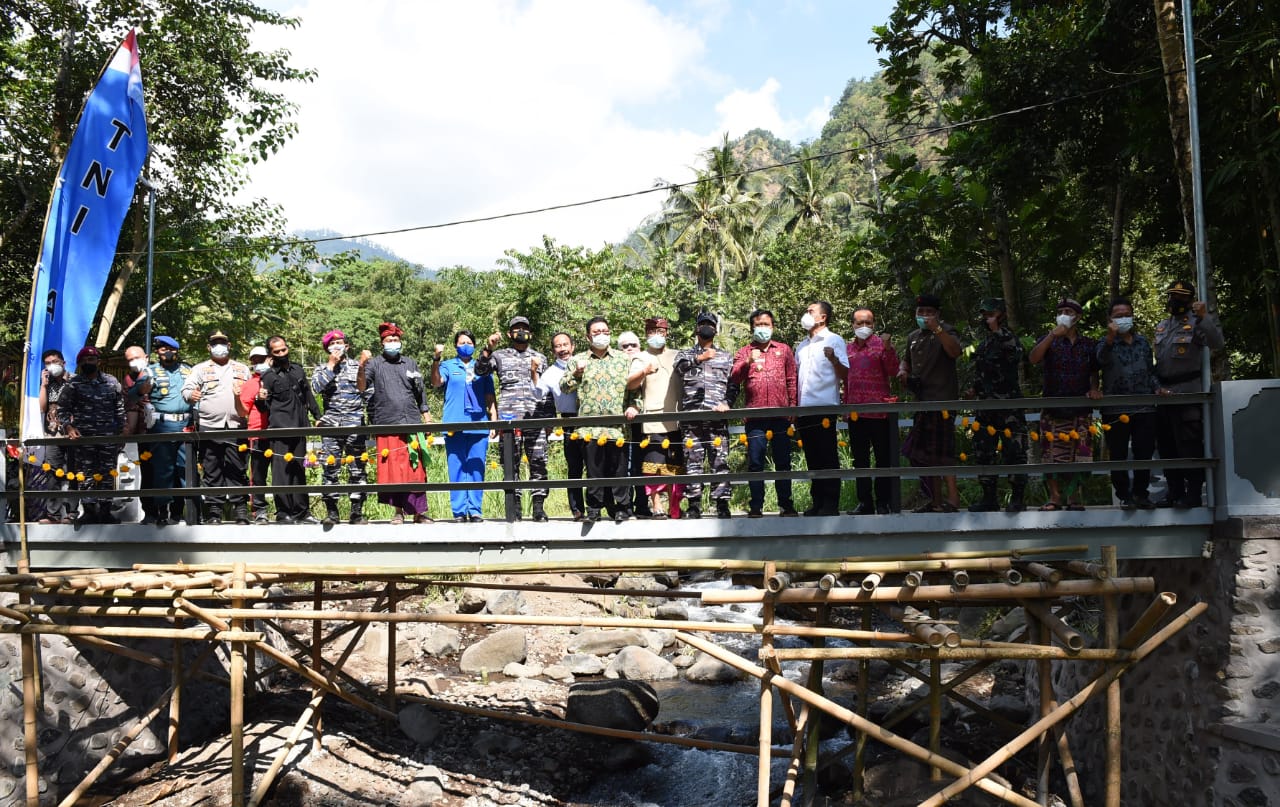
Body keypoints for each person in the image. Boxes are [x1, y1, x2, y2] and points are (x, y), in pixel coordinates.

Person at [560, 316, 643, 523]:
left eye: (605, 331)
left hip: (618, 428)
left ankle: (623, 508)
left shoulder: (623, 359)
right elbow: (564, 387)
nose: (602, 335)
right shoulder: (578, 360)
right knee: (594, 472)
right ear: (588, 336)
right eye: (596, 332)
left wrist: (634, 406)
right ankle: (594, 510)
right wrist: (577, 374)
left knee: (619, 470)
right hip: (589, 428)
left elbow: (635, 391)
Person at [1152, 280, 1223, 508]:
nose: (1175, 300)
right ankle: (1174, 490)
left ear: (1190, 300)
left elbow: (1216, 343)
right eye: (1173, 295)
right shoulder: (1162, 326)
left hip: (1188, 391)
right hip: (1163, 393)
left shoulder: (1196, 323)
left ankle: (1192, 493)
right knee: (1167, 445)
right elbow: (1159, 362)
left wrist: (1204, 317)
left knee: (1189, 444)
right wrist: (1156, 386)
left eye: (1181, 297)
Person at [1028, 297, 1101, 511]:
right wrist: (1052, 335)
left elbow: (1095, 370)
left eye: (1068, 311)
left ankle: (1074, 498)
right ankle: (1054, 497)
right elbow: (1033, 358)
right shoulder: (1049, 340)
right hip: (1053, 408)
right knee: (1051, 454)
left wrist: (1095, 388)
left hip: (1080, 408)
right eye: (1060, 311)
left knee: (1080, 455)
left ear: (1077, 316)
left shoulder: (1088, 344)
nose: (1064, 314)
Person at [475, 315, 549, 521]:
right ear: (510, 334)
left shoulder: (540, 357)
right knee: (510, 462)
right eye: (516, 329)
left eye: (524, 328)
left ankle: (538, 507)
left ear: (530, 333)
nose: (521, 332)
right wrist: (488, 348)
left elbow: (547, 389)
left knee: (539, 462)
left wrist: (550, 418)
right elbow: (480, 371)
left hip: (536, 417)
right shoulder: (499, 356)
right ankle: (514, 507)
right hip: (509, 418)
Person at [359, 322, 432, 524]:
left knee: (415, 469)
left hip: (411, 421)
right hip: (387, 423)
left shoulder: (410, 363)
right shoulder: (374, 365)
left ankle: (419, 513)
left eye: (396, 340)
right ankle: (398, 512)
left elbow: (420, 392)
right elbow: (362, 387)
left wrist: (426, 416)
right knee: (393, 470)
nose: (393, 343)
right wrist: (362, 365)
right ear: (382, 343)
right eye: (389, 340)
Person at [729, 308, 797, 519]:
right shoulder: (744, 352)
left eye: (766, 324)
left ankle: (786, 505)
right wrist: (748, 361)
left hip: (780, 415)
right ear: (752, 328)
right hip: (755, 417)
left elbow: (792, 380)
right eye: (759, 325)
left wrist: (793, 409)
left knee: (783, 462)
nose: (763, 328)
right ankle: (756, 506)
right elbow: (734, 377)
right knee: (756, 463)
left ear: (773, 327)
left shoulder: (784, 350)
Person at [898, 293, 963, 513]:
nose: (924, 316)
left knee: (943, 452)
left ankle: (953, 500)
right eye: (920, 312)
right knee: (921, 453)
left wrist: (937, 328)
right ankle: (934, 500)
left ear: (937, 314)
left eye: (929, 312)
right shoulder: (913, 336)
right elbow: (906, 360)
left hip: (942, 400)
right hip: (921, 402)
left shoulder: (947, 331)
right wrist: (903, 370)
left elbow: (955, 352)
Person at [182, 330, 251, 524]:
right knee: (212, 470)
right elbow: (187, 389)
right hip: (209, 426)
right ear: (209, 347)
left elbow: (251, 392)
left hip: (237, 426)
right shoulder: (199, 369)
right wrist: (190, 395)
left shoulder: (242, 369)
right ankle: (214, 511)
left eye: (222, 342)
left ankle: (241, 511)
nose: (218, 346)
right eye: (214, 343)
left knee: (238, 469)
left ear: (229, 346)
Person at [967, 298, 1028, 513]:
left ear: (1000, 314)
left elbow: (1016, 356)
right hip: (986, 407)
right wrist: (974, 389)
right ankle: (989, 498)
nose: (987, 318)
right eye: (984, 315)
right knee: (984, 452)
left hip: (1008, 406)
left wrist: (997, 329)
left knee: (1014, 451)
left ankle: (1018, 498)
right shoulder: (984, 344)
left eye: (990, 314)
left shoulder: (1009, 338)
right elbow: (982, 372)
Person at [1097, 297, 1158, 510]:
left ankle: (1141, 494)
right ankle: (1124, 495)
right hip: (1116, 409)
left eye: (1126, 315)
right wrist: (1111, 337)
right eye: (1118, 316)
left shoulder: (1142, 342)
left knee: (1144, 452)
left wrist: (1157, 388)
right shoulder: (1105, 343)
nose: (1123, 319)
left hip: (1144, 407)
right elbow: (1099, 360)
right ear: (1110, 319)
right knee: (1118, 453)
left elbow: (1151, 372)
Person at [673, 312, 734, 519]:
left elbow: (733, 385)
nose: (706, 327)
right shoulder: (684, 354)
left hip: (717, 418)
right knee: (693, 461)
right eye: (702, 324)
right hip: (692, 419)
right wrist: (700, 358)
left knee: (720, 462)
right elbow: (679, 369)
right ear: (696, 328)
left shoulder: (726, 356)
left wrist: (727, 402)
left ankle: (722, 504)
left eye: (710, 324)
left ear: (715, 329)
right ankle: (694, 505)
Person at [432, 330, 496, 522]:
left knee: (477, 468)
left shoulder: (482, 367)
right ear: (456, 346)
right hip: (454, 423)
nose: (465, 345)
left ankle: (475, 510)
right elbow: (436, 382)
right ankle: (459, 511)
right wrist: (436, 359)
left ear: (474, 345)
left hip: (478, 423)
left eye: (469, 342)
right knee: (457, 468)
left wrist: (494, 420)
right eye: (461, 342)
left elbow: (490, 396)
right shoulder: (448, 365)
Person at [56, 346, 124, 524]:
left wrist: (121, 434)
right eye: (84, 360)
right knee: (85, 474)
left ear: (98, 362)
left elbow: (119, 410)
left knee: (108, 474)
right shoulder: (74, 384)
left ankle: (105, 511)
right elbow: (62, 410)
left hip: (108, 437)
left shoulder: (111, 382)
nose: (88, 362)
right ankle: (89, 511)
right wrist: (68, 427)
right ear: (79, 364)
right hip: (84, 438)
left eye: (91, 359)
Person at [257, 335, 321, 523]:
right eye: (276, 352)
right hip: (280, 431)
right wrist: (260, 398)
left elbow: (308, 395)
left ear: (287, 348)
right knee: (281, 472)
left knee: (299, 470)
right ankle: (283, 512)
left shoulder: (298, 370)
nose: (281, 354)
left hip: (300, 428)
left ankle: (302, 512)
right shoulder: (268, 377)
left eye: (283, 350)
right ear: (271, 354)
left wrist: (318, 416)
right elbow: (263, 407)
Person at [312, 329, 372, 525]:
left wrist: (371, 421)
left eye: (341, 342)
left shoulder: (358, 366)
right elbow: (316, 388)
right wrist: (331, 365)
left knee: (357, 468)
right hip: (331, 425)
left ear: (347, 346)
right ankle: (332, 512)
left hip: (355, 423)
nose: (337, 346)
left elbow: (369, 393)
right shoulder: (321, 368)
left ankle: (357, 512)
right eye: (333, 343)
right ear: (327, 348)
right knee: (330, 467)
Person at [795, 301, 849, 516]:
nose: (806, 315)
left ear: (823, 317)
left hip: (825, 407)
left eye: (810, 311)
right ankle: (817, 502)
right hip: (804, 409)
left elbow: (845, 374)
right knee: (812, 458)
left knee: (828, 456)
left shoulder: (834, 340)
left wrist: (834, 359)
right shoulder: (801, 346)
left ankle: (830, 504)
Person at [843, 307, 900, 515]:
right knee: (860, 460)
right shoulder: (847, 349)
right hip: (856, 413)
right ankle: (865, 503)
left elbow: (894, 370)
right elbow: (845, 379)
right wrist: (846, 407)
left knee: (883, 459)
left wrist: (887, 348)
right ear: (853, 325)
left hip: (880, 412)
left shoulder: (881, 345)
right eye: (859, 323)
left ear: (874, 325)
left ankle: (883, 502)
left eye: (868, 323)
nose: (864, 327)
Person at [628, 317, 684, 519]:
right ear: (646, 333)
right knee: (653, 464)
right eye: (652, 331)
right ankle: (656, 504)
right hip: (652, 419)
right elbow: (631, 385)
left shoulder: (677, 355)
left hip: (675, 417)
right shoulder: (640, 358)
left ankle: (674, 506)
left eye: (660, 330)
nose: (657, 334)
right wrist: (644, 371)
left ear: (667, 332)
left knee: (674, 463)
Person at [139, 335, 192, 525]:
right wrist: (142, 388)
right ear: (157, 352)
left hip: (186, 424)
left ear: (176, 350)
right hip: (161, 425)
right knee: (163, 470)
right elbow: (133, 393)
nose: (165, 351)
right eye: (161, 349)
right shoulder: (150, 371)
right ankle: (163, 510)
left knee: (185, 469)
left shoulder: (188, 370)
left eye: (169, 348)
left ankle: (184, 511)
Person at [537, 332, 586, 520]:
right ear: (553, 350)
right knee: (574, 465)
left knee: (595, 464)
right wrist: (534, 373)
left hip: (591, 417)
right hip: (568, 419)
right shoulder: (549, 374)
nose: (563, 349)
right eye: (558, 346)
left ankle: (596, 505)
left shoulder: (586, 362)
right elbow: (539, 395)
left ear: (573, 346)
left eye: (566, 344)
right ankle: (576, 509)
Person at [35, 349, 74, 523]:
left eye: (55, 361)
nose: (52, 365)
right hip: (52, 434)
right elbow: (42, 408)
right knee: (53, 473)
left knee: (73, 473)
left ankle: (72, 512)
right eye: (48, 363)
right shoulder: (47, 383)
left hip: (73, 433)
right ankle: (53, 514)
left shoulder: (75, 381)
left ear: (63, 363)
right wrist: (43, 385)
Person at [617, 331, 652, 517]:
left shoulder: (647, 361)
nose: (629, 348)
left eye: (633, 345)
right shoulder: (616, 366)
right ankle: (625, 505)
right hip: (621, 423)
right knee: (623, 465)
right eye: (625, 346)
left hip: (645, 423)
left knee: (641, 464)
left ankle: (643, 504)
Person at [240, 346, 272, 523]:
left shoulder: (276, 378)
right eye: (256, 360)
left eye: (262, 359)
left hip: (277, 432)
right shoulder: (250, 384)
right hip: (257, 434)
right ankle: (259, 510)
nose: (259, 362)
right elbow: (243, 410)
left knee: (282, 473)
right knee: (258, 475)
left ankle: (285, 508)